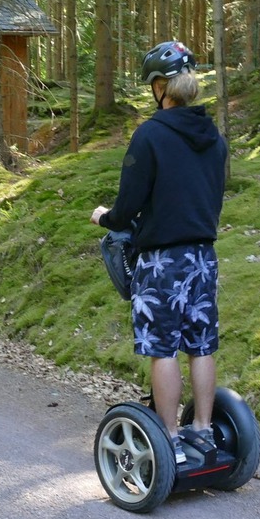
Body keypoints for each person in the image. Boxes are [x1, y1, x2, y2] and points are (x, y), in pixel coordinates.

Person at [90, 41, 228, 465]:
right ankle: (204, 431)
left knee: (162, 349)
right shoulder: (215, 139)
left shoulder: (150, 135)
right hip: (203, 258)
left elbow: (127, 205)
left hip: (162, 263)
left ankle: (167, 438)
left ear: (160, 87)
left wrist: (104, 218)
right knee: (201, 346)